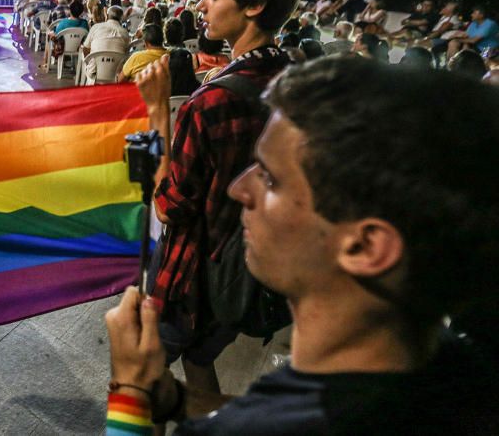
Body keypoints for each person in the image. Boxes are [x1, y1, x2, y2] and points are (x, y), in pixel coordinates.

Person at [107, 57, 498, 434]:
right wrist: (176, 399)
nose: (239, 189)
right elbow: (285, 410)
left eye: (272, 179)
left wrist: (130, 393)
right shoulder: (459, 371)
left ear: (365, 247)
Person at [145, 0, 308, 396]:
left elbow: (169, 207)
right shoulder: (296, 81)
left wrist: (159, 114)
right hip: (244, 273)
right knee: (200, 365)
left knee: (140, 376)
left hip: (189, 275)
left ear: (253, 4)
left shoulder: (212, 102)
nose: (203, 4)